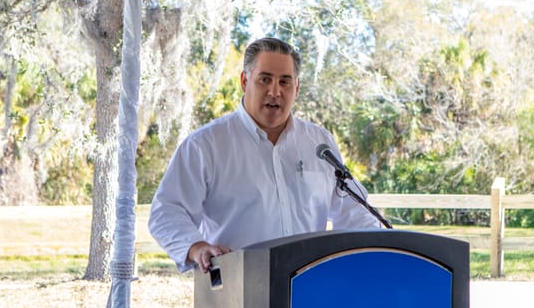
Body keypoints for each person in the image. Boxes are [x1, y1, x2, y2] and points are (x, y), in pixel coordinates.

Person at [148, 37, 381, 273]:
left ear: (297, 87)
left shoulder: (319, 144)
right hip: (237, 290)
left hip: (310, 288)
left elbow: (355, 212)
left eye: (285, 82)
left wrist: (381, 250)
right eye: (265, 79)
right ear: (244, 80)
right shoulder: (205, 145)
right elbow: (167, 212)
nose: (275, 91)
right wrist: (196, 247)